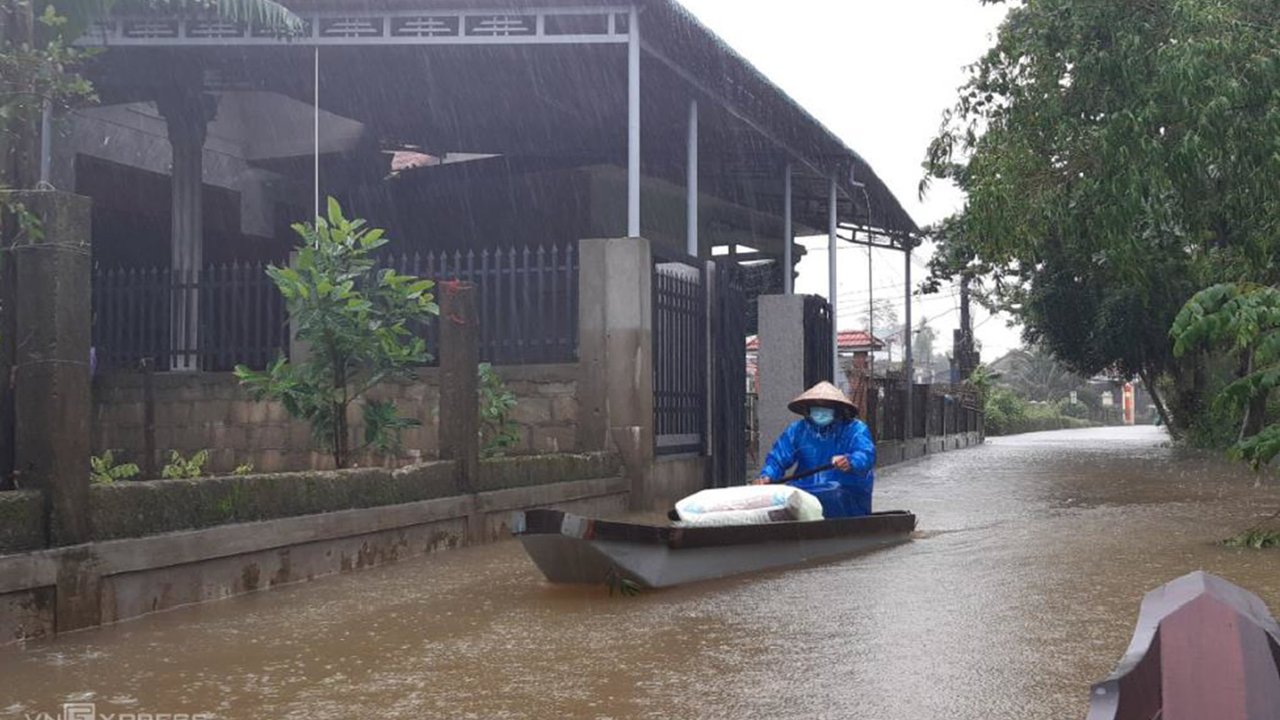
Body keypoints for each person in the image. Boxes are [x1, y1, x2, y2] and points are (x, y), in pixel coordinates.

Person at [754, 381, 877, 518]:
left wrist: (850, 461)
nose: (820, 411)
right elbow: (778, 457)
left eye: (826, 406)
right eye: (816, 406)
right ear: (808, 408)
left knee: (834, 494)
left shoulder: (855, 429)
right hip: (807, 489)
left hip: (845, 490)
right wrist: (768, 476)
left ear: (838, 408)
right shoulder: (797, 430)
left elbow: (866, 453)